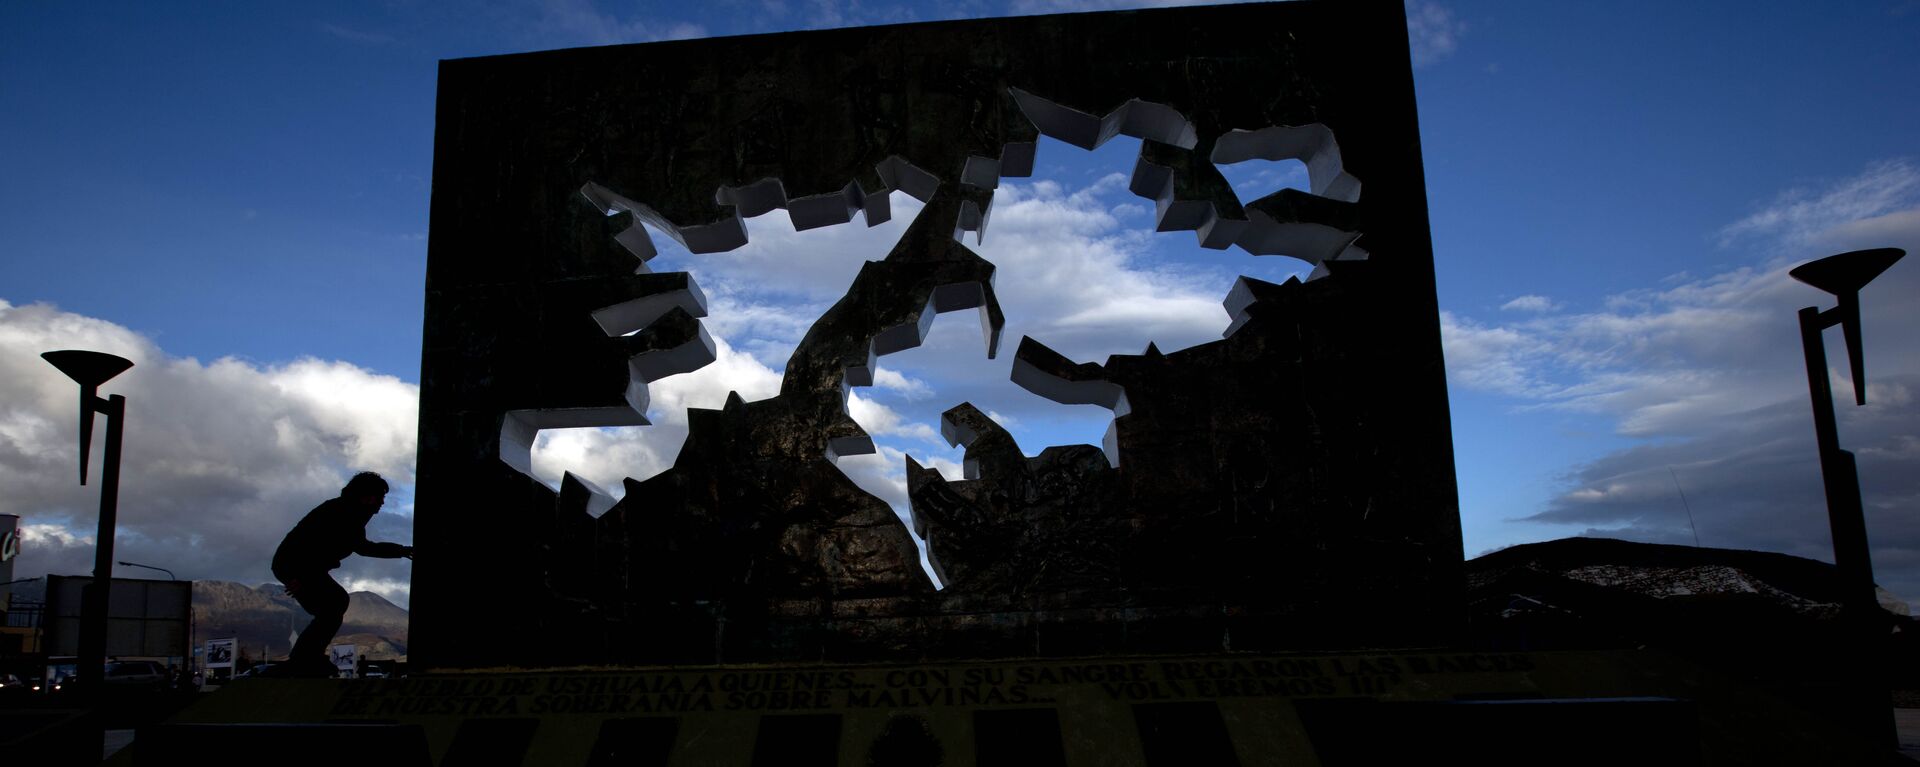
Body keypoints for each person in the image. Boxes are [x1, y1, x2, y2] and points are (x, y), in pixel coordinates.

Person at [271, 472, 412, 677]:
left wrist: (401, 550)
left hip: (304, 568)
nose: (382, 503)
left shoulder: (351, 512)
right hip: (297, 565)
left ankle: (306, 657)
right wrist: (294, 576)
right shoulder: (342, 512)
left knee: (332, 606)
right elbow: (360, 547)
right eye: (380, 497)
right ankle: (304, 659)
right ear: (366, 496)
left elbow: (361, 547)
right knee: (334, 603)